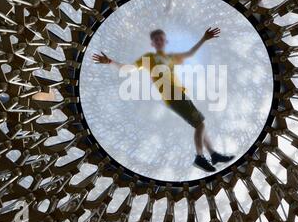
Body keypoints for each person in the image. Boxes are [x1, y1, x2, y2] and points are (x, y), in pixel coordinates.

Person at [92, 28, 234, 172]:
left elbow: (190, 53)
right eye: (156, 40)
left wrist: (204, 38)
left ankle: (214, 155)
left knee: (199, 124)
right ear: (152, 44)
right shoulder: (148, 58)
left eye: (161, 39)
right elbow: (128, 69)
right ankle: (199, 157)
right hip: (172, 96)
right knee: (200, 125)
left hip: (180, 94)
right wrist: (110, 61)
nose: (159, 41)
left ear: (165, 41)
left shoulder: (171, 57)